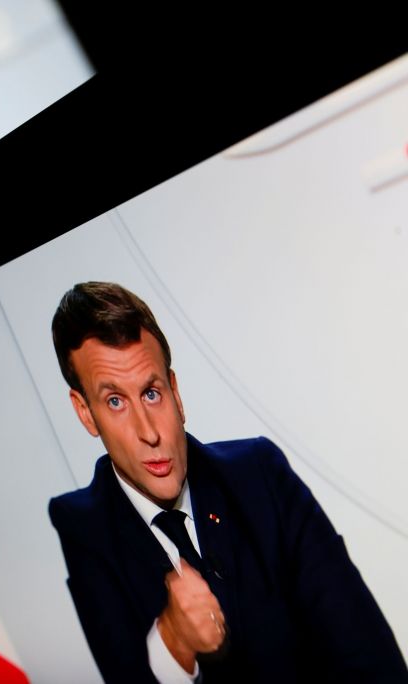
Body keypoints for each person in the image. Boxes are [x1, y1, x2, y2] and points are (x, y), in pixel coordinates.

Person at [46, 281, 406, 683]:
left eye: (151, 393)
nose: (148, 432)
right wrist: (173, 644)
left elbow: (369, 653)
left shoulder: (260, 475)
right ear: (85, 413)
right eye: (115, 401)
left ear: (176, 392)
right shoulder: (84, 528)